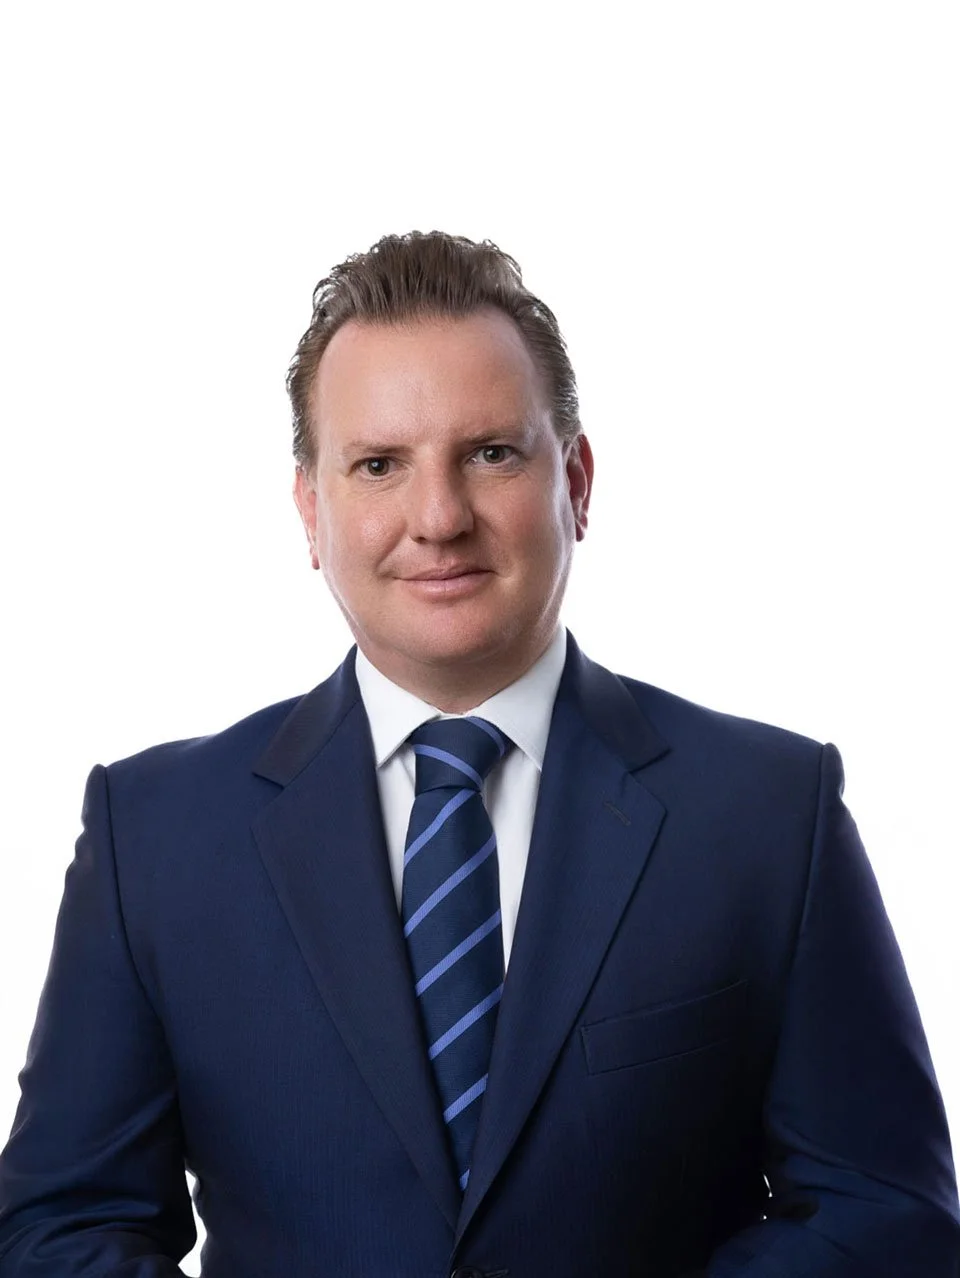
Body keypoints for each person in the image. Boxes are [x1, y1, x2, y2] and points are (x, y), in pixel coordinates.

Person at [0, 231, 957, 1278]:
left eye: (490, 453)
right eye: (379, 465)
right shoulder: (157, 835)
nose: (439, 518)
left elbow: (885, 1213)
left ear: (578, 481)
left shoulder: (769, 813)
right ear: (312, 511)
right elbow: (60, 1229)